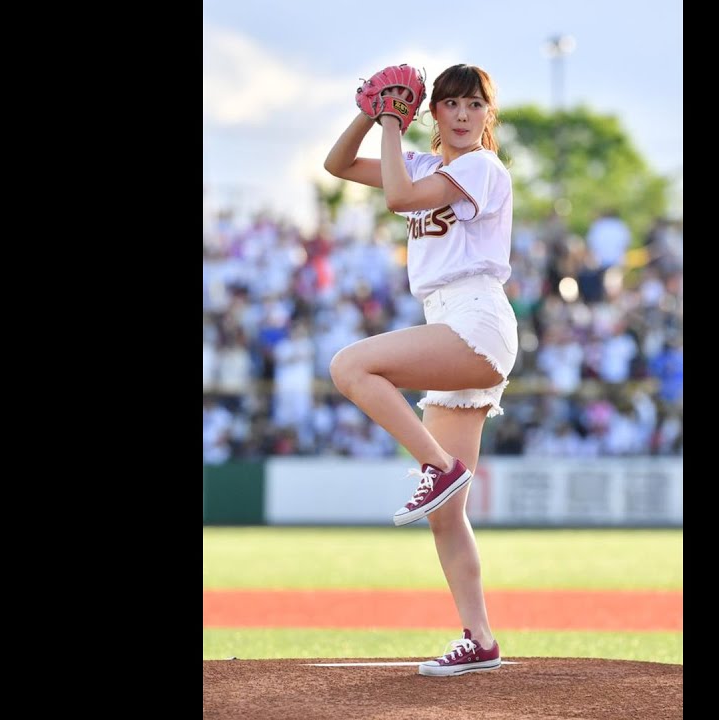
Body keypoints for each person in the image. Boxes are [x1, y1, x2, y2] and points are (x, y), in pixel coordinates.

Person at [323, 63, 514, 677]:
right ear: (433, 112)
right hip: (447, 320)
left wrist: (389, 121)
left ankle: (439, 466)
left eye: (474, 104)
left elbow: (400, 198)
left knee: (350, 366)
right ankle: (479, 639)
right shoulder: (425, 163)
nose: (462, 114)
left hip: (475, 316)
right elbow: (337, 165)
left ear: (488, 114)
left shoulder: (481, 166)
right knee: (445, 515)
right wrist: (371, 114)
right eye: (450, 103)